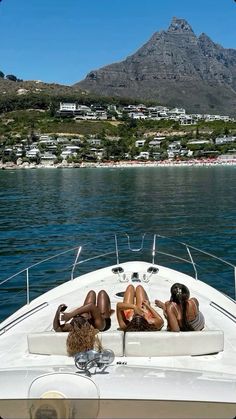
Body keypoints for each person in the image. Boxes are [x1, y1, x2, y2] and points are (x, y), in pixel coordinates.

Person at [53, 290, 113, 356]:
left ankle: (87, 313)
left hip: (88, 317)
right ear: (86, 324)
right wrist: (70, 315)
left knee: (91, 293)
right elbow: (91, 306)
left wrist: (58, 311)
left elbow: (57, 328)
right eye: (79, 319)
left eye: (75, 319)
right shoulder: (98, 325)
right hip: (102, 319)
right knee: (102, 293)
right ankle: (108, 311)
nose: (76, 319)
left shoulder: (74, 326)